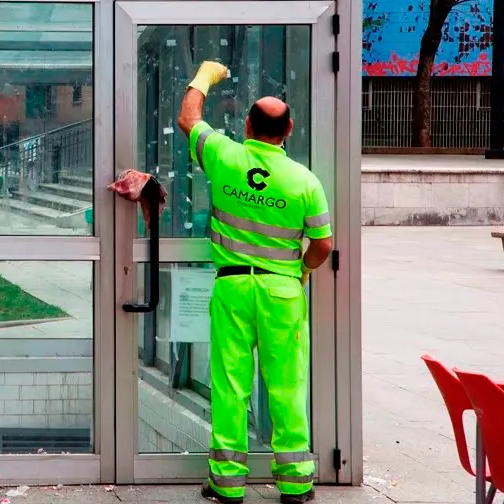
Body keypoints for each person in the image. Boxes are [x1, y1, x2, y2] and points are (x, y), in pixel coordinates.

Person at [176, 61, 334, 504]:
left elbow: (189, 119)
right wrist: (300, 271)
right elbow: (322, 244)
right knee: (286, 384)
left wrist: (205, 77)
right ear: (289, 131)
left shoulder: (225, 156)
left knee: (230, 384)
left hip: (232, 288)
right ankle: (296, 484)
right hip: (282, 291)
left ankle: (227, 483)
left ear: (246, 125)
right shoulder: (305, 181)